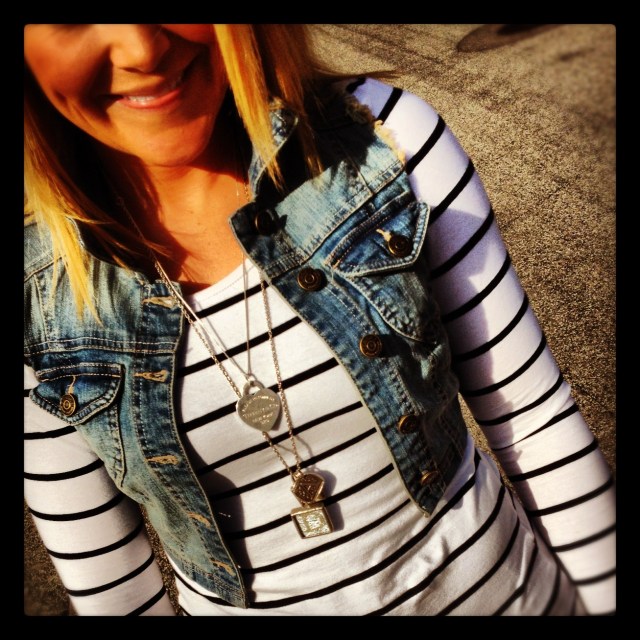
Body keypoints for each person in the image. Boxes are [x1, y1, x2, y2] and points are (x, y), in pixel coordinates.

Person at [23, 24, 615, 616]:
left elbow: (534, 424)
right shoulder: (34, 294)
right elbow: (112, 585)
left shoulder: (381, 140)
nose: (142, 49)